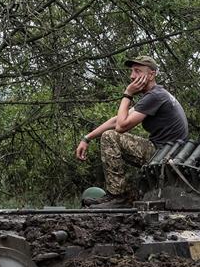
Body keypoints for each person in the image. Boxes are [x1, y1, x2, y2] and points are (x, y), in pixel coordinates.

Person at [75, 55, 189, 205]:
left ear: (151, 74)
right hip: (166, 152)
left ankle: (117, 197)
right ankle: (120, 195)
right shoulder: (156, 94)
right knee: (111, 134)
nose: (132, 76)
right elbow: (117, 119)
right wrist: (87, 138)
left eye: (137, 71)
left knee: (110, 137)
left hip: (166, 156)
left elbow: (120, 127)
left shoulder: (155, 96)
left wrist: (128, 93)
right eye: (132, 71)